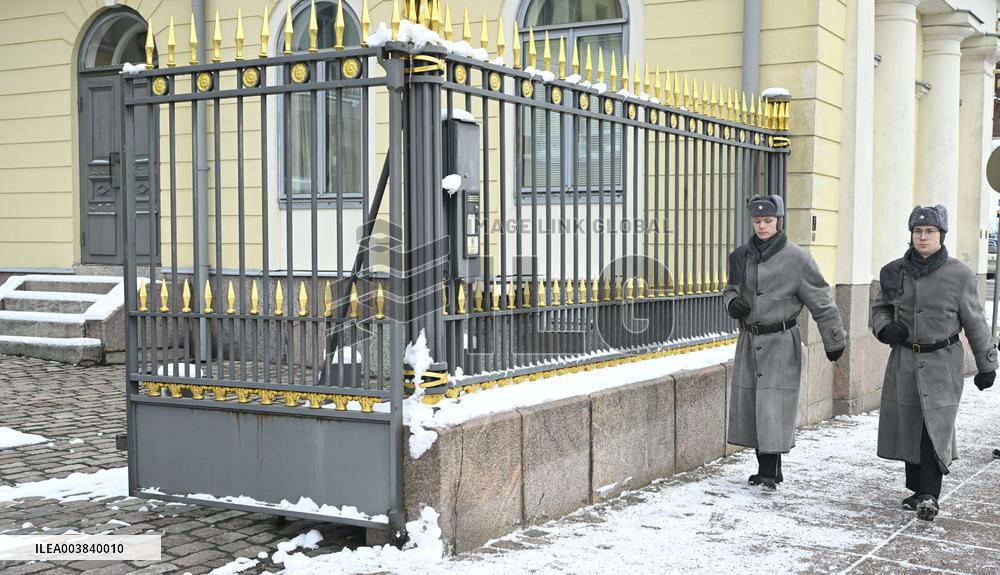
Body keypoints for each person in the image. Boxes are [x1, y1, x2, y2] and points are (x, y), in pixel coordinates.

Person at [872, 204, 997, 521]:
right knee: (910, 425)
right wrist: (885, 327)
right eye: (917, 231)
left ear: (942, 235)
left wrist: (987, 365)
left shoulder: (960, 274)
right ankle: (917, 490)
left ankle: (930, 494)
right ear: (911, 234)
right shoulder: (893, 271)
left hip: (943, 361)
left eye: (929, 231)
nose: (923, 236)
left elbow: (976, 321)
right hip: (904, 359)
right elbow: (879, 309)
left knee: (935, 427)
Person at [724, 194, 846, 489]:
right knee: (755, 405)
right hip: (750, 340)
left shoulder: (798, 258)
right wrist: (731, 303)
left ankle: (768, 472)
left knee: (773, 405)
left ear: (778, 221)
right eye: (757, 221)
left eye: (768, 220)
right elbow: (730, 288)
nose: (762, 226)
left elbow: (821, 301)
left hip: (781, 340)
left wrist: (834, 340)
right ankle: (770, 469)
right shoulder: (741, 255)